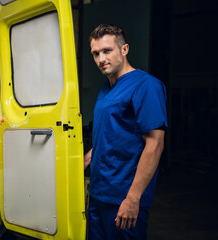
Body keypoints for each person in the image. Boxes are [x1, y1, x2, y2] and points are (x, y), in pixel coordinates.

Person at [84, 24, 168, 240]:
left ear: (124, 49)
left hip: (123, 197)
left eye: (107, 51)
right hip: (98, 193)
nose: (101, 59)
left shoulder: (146, 86)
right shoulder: (107, 86)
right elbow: (117, 129)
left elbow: (155, 144)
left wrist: (133, 198)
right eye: (96, 53)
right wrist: (94, 151)